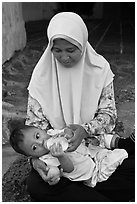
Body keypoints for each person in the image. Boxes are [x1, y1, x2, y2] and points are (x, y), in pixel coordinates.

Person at [24, 12, 134, 201]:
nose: (64, 57)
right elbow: (34, 129)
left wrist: (84, 130)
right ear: (50, 47)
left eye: (71, 49)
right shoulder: (41, 77)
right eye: (57, 50)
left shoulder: (99, 70)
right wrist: (36, 161)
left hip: (96, 150)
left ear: (82, 44)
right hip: (59, 160)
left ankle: (83, 195)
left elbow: (109, 116)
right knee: (36, 186)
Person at [9, 125, 129, 188]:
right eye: (34, 148)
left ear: (41, 129)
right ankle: (127, 152)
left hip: (93, 156)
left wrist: (67, 133)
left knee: (106, 152)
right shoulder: (47, 160)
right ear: (31, 156)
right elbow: (69, 169)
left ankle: (123, 146)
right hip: (93, 173)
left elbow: (66, 133)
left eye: (37, 136)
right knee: (119, 155)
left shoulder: (52, 134)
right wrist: (61, 156)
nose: (41, 142)